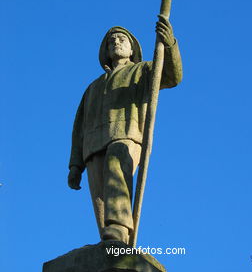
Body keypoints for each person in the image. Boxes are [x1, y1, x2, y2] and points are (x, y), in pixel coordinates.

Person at [68, 15, 182, 244]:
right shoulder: (93, 87)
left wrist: (168, 43)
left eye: (122, 39)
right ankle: (112, 244)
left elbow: (172, 76)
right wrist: (75, 165)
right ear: (106, 51)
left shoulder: (143, 70)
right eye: (111, 41)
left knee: (116, 162)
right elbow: (79, 128)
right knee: (101, 202)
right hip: (93, 146)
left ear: (132, 48)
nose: (116, 43)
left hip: (127, 136)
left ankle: (119, 226)